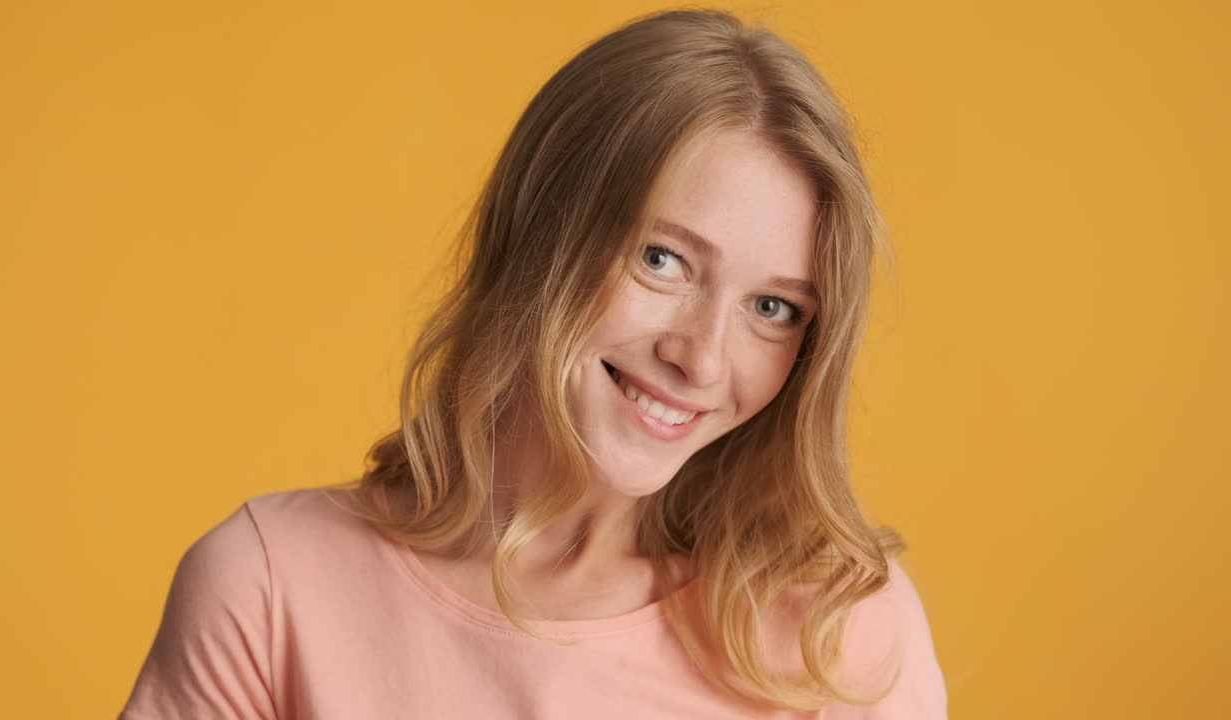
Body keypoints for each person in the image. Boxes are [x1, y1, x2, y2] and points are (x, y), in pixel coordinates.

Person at [119, 8, 948, 719]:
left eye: (773, 309)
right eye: (663, 260)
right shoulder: (270, 589)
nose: (700, 358)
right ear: (541, 230)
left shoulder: (840, 632)